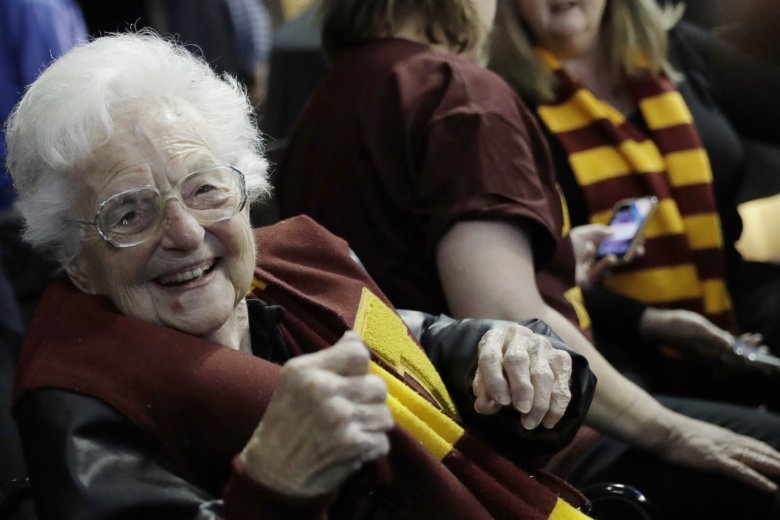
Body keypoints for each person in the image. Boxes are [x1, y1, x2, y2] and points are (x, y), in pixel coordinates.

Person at [5, 30, 605, 519]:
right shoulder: (78, 401)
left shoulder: (298, 265)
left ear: (247, 192)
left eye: (205, 188)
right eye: (129, 213)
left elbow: (424, 342)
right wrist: (273, 487)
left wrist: (509, 359)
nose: (186, 233)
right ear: (78, 264)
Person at [276, 0, 780, 517]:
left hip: (400, 453)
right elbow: (510, 320)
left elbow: (401, 264)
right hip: (512, 455)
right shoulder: (461, 92)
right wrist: (673, 432)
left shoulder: (331, 96)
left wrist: (554, 261)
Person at [487, 0, 780, 399]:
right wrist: (649, 321)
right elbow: (523, 275)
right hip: (607, 327)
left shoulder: (674, 49)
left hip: (730, 288)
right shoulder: (504, 99)